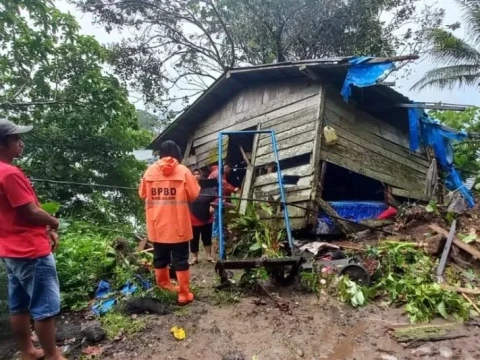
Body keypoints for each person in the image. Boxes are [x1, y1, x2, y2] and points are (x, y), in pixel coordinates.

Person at [0, 119, 65, 360]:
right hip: (30, 251)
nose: (21, 143)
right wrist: (54, 222)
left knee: (19, 305)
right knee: (44, 308)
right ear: (3, 142)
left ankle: (28, 351)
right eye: (16, 138)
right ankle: (53, 355)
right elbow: (30, 211)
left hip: (8, 249)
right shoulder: (9, 173)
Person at [139, 140, 200, 305]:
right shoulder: (183, 171)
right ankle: (183, 294)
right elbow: (194, 195)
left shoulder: (149, 172)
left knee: (160, 258)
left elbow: (142, 194)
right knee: (180, 260)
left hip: (157, 225)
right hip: (178, 225)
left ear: (160, 153)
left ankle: (164, 286)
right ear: (177, 153)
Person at [189, 169, 216, 265]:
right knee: (194, 238)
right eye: (194, 174)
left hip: (207, 216)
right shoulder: (188, 186)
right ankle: (194, 257)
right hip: (193, 216)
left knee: (207, 237)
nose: (196, 176)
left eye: (198, 174)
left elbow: (215, 197)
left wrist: (212, 205)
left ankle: (208, 256)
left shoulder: (207, 185)